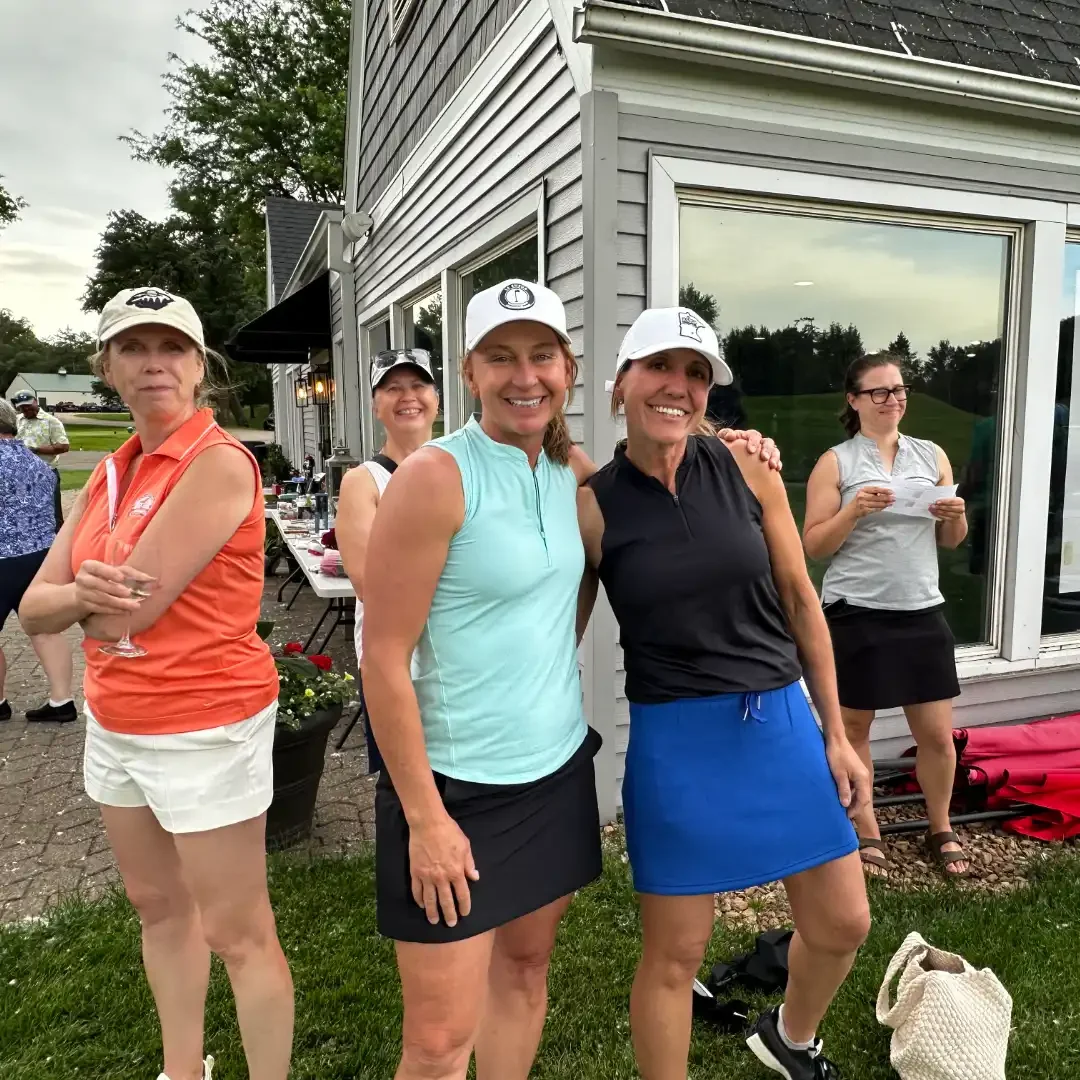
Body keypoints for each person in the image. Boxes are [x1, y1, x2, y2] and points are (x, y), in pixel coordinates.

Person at [362, 280, 786, 1080]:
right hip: (455, 785)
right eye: (500, 357)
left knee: (524, 975)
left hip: (553, 771)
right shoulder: (434, 477)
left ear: (570, 368)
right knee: (439, 1041)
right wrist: (424, 818)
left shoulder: (572, 471)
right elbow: (384, 656)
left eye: (541, 356)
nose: (524, 376)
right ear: (470, 371)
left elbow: (667, 477)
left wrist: (738, 441)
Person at [577, 307, 871, 1080]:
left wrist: (837, 734)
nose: (678, 387)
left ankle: (790, 1036)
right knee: (674, 957)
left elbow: (802, 601)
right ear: (621, 384)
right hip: (676, 742)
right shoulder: (593, 503)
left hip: (779, 721)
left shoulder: (749, 467)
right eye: (660, 369)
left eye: (697, 374)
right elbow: (558, 633)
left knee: (843, 921)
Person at [20, 286, 293, 1080]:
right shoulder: (110, 470)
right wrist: (80, 595)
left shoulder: (216, 463)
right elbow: (36, 609)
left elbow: (120, 621)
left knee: (236, 931)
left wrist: (82, 602)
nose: (153, 365)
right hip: (116, 719)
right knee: (158, 906)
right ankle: (184, 1070)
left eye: (171, 348)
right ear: (106, 367)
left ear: (199, 365)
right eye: (133, 349)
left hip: (205, 724)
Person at [803, 352, 970, 880]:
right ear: (854, 401)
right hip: (858, 611)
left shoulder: (932, 454)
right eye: (879, 391)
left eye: (899, 390)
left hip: (921, 607)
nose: (893, 399)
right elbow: (813, 546)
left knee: (937, 736)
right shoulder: (837, 462)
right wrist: (854, 510)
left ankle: (939, 825)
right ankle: (866, 824)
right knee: (855, 727)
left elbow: (950, 541)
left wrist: (955, 517)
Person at [336, 348, 440, 771]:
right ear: (376, 405)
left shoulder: (462, 469)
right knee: (402, 787)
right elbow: (369, 583)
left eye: (418, 385)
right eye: (392, 388)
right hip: (396, 666)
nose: (407, 396)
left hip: (461, 660)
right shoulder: (363, 482)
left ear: (437, 397)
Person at [0, 398, 78, 724]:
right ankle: (62, 700)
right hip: (40, 557)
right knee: (44, 629)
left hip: (3, 556)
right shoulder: (37, 463)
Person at [12, 389, 69, 532]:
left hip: (45, 472)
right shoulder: (17, 420)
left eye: (28, 405)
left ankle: (57, 543)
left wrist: (34, 449)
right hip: (22, 474)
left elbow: (63, 446)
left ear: (35, 402)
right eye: (21, 406)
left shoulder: (51, 422)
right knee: (25, 509)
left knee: (52, 511)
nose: (25, 409)